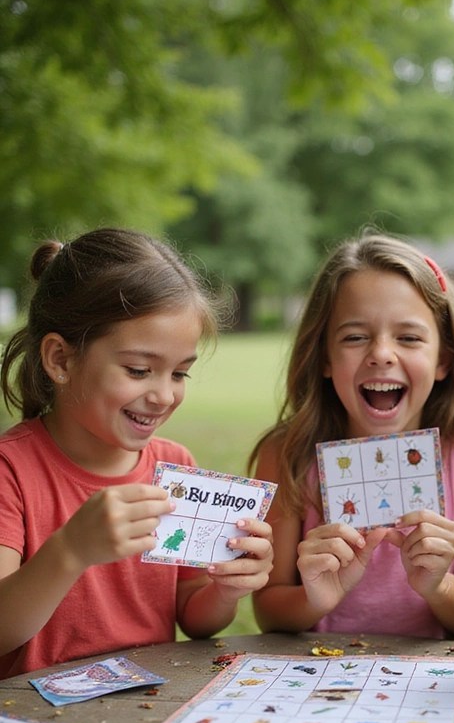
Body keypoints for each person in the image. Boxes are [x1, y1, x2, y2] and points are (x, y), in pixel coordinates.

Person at [0, 228, 273, 678]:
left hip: (141, 709)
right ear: (61, 360)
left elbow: (194, 615)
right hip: (36, 718)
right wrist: (69, 550)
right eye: (140, 370)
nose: (164, 395)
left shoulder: (176, 466)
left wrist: (225, 589)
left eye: (180, 374)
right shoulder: (12, 470)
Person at [249, 232, 454, 640]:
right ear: (324, 358)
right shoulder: (288, 454)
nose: (382, 353)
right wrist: (317, 596)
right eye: (355, 337)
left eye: (408, 337)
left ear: (443, 358)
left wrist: (439, 585)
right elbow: (269, 612)